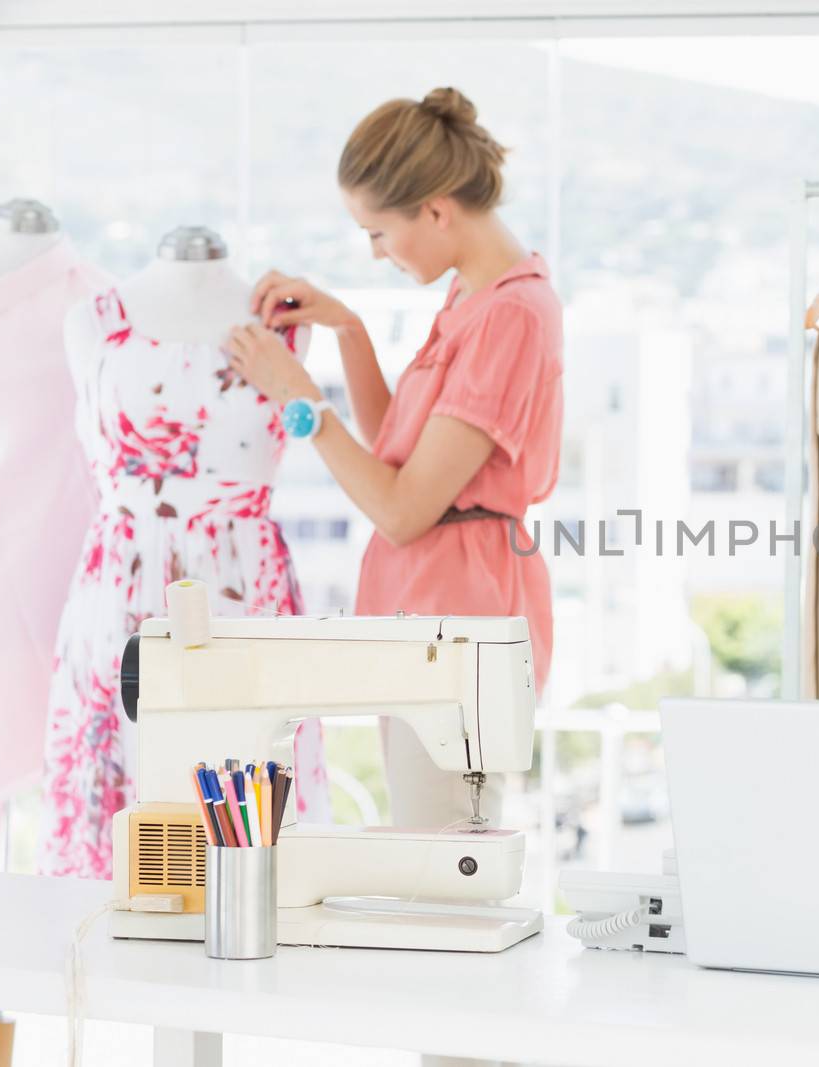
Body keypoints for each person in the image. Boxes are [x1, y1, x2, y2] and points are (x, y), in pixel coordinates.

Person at [225, 87, 562, 827]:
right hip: (428, 611)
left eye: (379, 232)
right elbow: (397, 453)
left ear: (437, 210)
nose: (378, 252)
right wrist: (347, 328)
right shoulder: (472, 297)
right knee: (428, 843)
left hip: (459, 617)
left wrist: (298, 399)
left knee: (444, 855)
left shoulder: (509, 313)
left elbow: (403, 509)